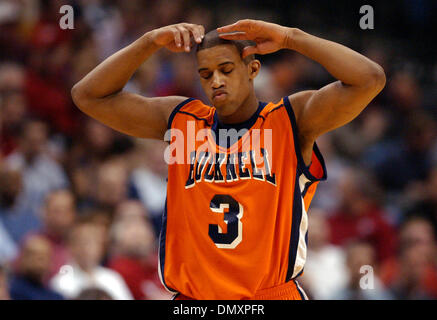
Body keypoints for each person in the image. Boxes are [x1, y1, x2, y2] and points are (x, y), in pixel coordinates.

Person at [72, 20, 385, 300]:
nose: (216, 81)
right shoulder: (181, 119)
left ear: (252, 69)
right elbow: (88, 95)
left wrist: (291, 37)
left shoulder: (291, 120)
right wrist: (148, 42)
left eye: (226, 69)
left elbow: (369, 78)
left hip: (268, 295)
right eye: (206, 74)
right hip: (194, 300)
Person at [50, 221, 132, 300]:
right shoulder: (60, 283)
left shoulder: (112, 278)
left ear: (101, 247)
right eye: (83, 242)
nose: (87, 248)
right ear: (71, 247)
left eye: (93, 241)